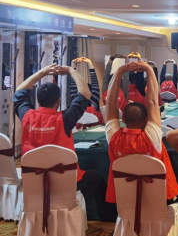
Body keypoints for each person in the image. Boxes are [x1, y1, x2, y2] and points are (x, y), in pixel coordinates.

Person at [14, 64, 109, 221]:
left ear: (37, 100)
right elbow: (85, 93)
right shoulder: (64, 119)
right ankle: (89, 218)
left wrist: (43, 72)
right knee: (95, 177)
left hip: (34, 180)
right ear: (58, 101)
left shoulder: (27, 116)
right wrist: (71, 71)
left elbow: (19, 91)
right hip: (64, 182)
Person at [105, 62, 178, 204]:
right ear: (147, 119)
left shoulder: (113, 137)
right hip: (158, 197)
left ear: (123, 119)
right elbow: (152, 101)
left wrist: (119, 71)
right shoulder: (152, 137)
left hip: (125, 198)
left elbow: (110, 103)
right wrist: (148, 69)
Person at [71, 57, 104, 128]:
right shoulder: (93, 103)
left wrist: (73, 66)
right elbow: (95, 84)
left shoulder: (75, 103)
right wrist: (90, 64)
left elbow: (73, 83)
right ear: (90, 93)